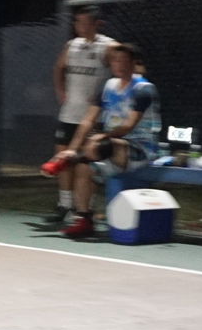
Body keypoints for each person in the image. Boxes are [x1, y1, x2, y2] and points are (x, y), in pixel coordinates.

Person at [47, 42, 161, 239]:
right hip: (107, 149)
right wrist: (72, 148)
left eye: (125, 61)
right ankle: (84, 220)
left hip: (141, 149)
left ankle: (67, 162)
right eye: (116, 60)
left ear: (135, 63)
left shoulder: (144, 89)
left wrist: (103, 136)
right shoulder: (108, 86)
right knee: (84, 167)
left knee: (102, 145)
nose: (119, 64)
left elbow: (129, 126)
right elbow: (88, 120)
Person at [50, 8, 117, 222]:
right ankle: (65, 204)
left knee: (87, 162)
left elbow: (125, 70)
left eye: (86, 23)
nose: (81, 27)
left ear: (97, 24)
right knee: (62, 159)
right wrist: (61, 91)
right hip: (69, 112)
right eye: (78, 22)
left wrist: (106, 99)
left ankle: (86, 209)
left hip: (92, 117)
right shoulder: (72, 45)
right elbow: (59, 68)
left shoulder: (109, 47)